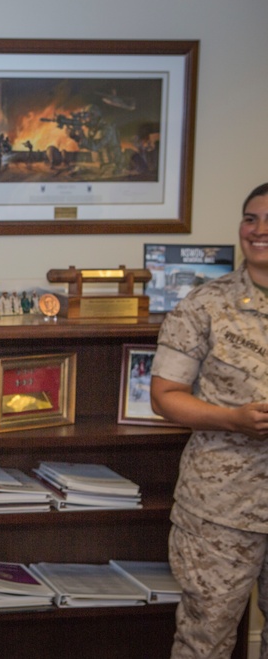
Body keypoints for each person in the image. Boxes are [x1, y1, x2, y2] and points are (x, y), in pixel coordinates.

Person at [151, 181, 268, 658]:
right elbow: (165, 396)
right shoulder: (205, 305)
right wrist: (233, 420)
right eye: (251, 219)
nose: (259, 231)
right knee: (206, 642)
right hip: (223, 509)